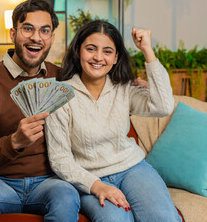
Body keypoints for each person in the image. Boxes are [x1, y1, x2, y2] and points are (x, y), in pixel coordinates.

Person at [0, 0, 80, 222]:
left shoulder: (63, 78)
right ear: (13, 34)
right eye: (28, 29)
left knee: (67, 196)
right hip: (0, 182)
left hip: (49, 182)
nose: (36, 37)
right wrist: (14, 142)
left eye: (45, 31)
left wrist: (133, 87)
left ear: (52, 38)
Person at [45, 20, 182, 222]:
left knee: (163, 218)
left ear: (116, 57)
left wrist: (147, 50)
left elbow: (163, 106)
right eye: (91, 49)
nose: (98, 57)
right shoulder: (60, 95)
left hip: (133, 170)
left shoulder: (124, 89)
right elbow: (60, 159)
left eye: (107, 51)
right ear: (77, 50)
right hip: (90, 179)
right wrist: (97, 186)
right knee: (114, 219)